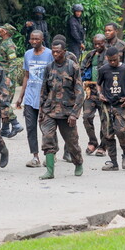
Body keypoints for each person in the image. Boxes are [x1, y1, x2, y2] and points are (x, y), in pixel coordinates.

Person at [38, 42, 85, 180]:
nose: (55, 54)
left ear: (64, 51)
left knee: (72, 143)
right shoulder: (48, 68)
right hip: (49, 111)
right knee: (47, 139)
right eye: (53, 51)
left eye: (58, 51)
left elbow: (80, 93)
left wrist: (74, 114)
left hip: (66, 113)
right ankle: (50, 171)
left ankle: (78, 163)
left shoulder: (72, 67)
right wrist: (42, 111)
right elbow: (44, 91)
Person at [16, 30, 54, 167]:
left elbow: (54, 75)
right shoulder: (27, 54)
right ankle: (35, 156)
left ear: (42, 39)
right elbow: (27, 75)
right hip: (30, 98)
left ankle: (50, 154)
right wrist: (21, 96)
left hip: (45, 98)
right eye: (32, 39)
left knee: (47, 128)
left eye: (37, 39)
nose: (34, 41)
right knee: (31, 127)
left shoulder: (49, 54)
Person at [97, 46, 125, 170]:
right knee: (107, 134)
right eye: (110, 60)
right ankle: (113, 162)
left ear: (119, 56)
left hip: (120, 105)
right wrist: (100, 94)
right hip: (107, 105)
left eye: (115, 60)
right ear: (107, 59)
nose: (113, 62)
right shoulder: (103, 69)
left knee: (120, 131)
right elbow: (98, 84)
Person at [0, 24, 24, 138]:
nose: (0, 29)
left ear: (5, 32)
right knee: (4, 101)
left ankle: (15, 123)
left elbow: (13, 62)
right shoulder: (2, 42)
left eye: (2, 29)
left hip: (6, 76)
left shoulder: (9, 45)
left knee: (3, 101)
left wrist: (9, 77)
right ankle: (5, 129)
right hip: (0, 75)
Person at [81, 34, 108, 156]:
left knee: (105, 120)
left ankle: (103, 145)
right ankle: (93, 141)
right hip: (90, 91)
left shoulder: (110, 55)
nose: (97, 46)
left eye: (100, 43)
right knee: (86, 117)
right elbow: (82, 68)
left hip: (104, 92)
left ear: (105, 42)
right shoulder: (90, 55)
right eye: (95, 44)